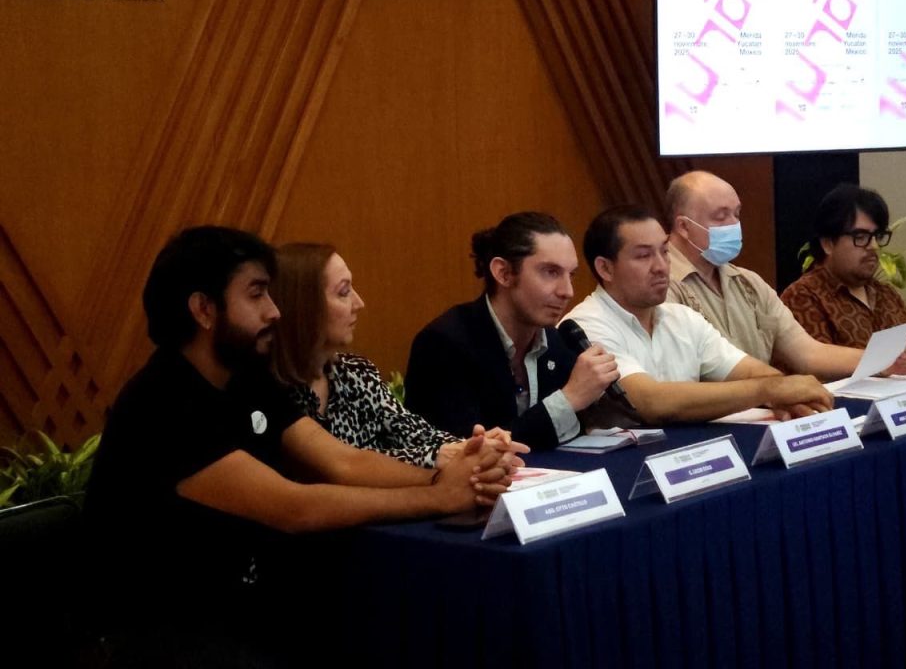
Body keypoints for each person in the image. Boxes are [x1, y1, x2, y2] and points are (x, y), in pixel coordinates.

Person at [85, 226, 510, 662]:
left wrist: (445, 477)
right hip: (156, 629)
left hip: (243, 604)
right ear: (204, 309)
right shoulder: (164, 403)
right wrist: (439, 497)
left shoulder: (244, 377)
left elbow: (342, 461)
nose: (274, 311)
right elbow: (293, 507)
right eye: (256, 295)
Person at [563, 206, 835, 423]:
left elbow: (750, 371)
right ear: (605, 268)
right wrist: (769, 391)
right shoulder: (585, 325)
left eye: (664, 251)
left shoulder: (682, 318)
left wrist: (786, 396)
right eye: (644, 256)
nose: (661, 266)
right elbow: (651, 402)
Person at [269, 242, 528, 468]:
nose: (359, 303)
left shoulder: (356, 373)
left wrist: (478, 446)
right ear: (304, 306)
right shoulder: (269, 390)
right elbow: (344, 467)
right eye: (344, 292)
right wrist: (445, 456)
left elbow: (415, 433)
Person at [664, 170, 906, 378]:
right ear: (684, 227)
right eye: (721, 217)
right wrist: (776, 387)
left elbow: (807, 353)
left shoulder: (748, 283)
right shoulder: (660, 285)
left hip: (761, 411)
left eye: (737, 214)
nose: (734, 225)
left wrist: (886, 360)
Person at [404, 212, 624, 449]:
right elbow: (466, 451)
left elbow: (569, 433)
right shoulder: (444, 344)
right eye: (551, 272)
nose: (567, 291)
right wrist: (569, 399)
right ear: (504, 273)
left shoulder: (556, 341)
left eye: (570, 275)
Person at [781, 184, 906, 355]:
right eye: (860, 237)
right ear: (828, 243)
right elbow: (817, 367)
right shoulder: (803, 296)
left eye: (878, 236)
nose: (873, 246)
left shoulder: (887, 294)